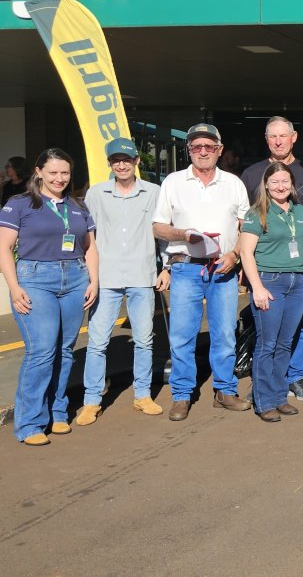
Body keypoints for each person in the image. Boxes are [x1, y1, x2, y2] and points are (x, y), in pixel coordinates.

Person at [152, 123, 252, 421]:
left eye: (209, 146)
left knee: (224, 333)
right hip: (185, 268)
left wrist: (235, 255)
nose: (203, 152)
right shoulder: (173, 181)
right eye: (197, 147)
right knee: (182, 335)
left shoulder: (233, 183)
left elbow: (247, 227)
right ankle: (182, 395)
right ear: (189, 150)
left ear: (219, 150)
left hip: (223, 269)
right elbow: (158, 226)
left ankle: (224, 390)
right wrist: (184, 234)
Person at [0, 148, 98, 445]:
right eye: (53, 172)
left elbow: (90, 246)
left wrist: (94, 280)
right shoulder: (19, 204)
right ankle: (30, 422)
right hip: (34, 279)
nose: (59, 178)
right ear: (39, 172)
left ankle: (57, 413)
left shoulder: (78, 205)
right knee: (41, 350)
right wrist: (14, 287)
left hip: (75, 278)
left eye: (65, 173)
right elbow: (3, 248)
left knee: (65, 350)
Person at [77, 138, 169, 426]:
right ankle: (91, 401)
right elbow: (87, 237)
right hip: (106, 278)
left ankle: (142, 395)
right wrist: (88, 275)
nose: (121, 164)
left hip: (143, 277)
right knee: (97, 341)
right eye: (116, 160)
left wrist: (166, 267)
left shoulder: (153, 192)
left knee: (144, 340)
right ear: (109, 163)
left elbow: (162, 232)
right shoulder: (96, 193)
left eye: (126, 159)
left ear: (136, 162)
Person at [241, 116, 303, 402]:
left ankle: (293, 378)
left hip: (298, 274)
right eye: (272, 136)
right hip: (267, 273)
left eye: (283, 136)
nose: (278, 141)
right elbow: (243, 227)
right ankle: (264, 387)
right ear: (267, 139)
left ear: (294, 137)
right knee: (267, 336)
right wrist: (248, 271)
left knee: (293, 332)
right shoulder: (251, 174)